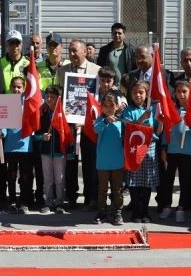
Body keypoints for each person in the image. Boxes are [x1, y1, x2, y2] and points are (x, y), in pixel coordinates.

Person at [58, 39, 101, 208]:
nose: (72, 54)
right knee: (70, 161)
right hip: (69, 124)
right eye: (70, 51)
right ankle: (71, 196)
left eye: (75, 50)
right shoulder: (63, 71)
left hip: (89, 124)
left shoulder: (96, 71)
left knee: (90, 162)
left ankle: (91, 197)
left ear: (85, 51)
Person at [121, 81, 161, 223]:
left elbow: (157, 131)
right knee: (135, 182)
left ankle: (145, 211)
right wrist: (142, 118)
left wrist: (161, 122)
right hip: (134, 151)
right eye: (135, 92)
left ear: (146, 94)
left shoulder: (152, 110)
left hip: (149, 150)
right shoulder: (127, 111)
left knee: (147, 182)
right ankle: (136, 212)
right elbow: (130, 127)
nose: (138, 95)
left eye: (141, 92)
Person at [160, 80, 191, 224]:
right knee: (168, 180)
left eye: (184, 92)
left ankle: (181, 208)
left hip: (187, 152)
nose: (181, 95)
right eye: (178, 92)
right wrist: (163, 147)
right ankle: (167, 206)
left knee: (185, 180)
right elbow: (166, 131)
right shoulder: (172, 110)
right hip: (171, 151)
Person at [1, 76, 35, 214]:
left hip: (26, 146)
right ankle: (12, 201)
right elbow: (2, 122)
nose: (16, 89)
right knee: (11, 176)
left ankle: (24, 201)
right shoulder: (6, 103)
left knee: (25, 176)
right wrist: (1, 133)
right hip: (10, 146)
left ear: (24, 88)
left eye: (19, 87)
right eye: (14, 87)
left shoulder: (29, 103)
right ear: (10, 88)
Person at [37, 85, 70, 214]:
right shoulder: (42, 112)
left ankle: (60, 202)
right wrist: (42, 137)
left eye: (52, 97)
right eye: (47, 96)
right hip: (45, 152)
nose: (49, 99)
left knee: (60, 179)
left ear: (59, 98)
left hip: (59, 152)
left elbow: (69, 132)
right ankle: (48, 202)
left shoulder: (64, 112)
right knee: (48, 179)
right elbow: (35, 134)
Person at [93, 93, 125, 225]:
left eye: (111, 105)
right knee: (102, 189)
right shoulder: (100, 120)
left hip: (118, 161)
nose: (108, 108)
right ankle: (102, 212)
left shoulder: (121, 122)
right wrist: (106, 121)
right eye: (105, 105)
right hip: (103, 161)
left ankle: (117, 212)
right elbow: (96, 129)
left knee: (117, 189)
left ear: (117, 107)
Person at [96, 22, 137, 88]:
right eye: (115, 33)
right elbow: (100, 68)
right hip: (109, 86)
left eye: (119, 33)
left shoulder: (131, 50)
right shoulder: (104, 50)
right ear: (112, 34)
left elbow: (135, 69)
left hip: (126, 87)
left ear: (124, 35)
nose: (117, 35)